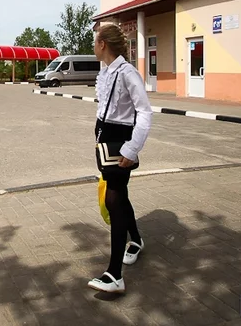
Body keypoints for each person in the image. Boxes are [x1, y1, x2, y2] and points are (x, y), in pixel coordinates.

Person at [87, 24, 153, 294]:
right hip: (105, 136)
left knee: (114, 198)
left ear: (102, 44)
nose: (93, 45)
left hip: (121, 140)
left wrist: (132, 148)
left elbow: (145, 112)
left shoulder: (128, 73)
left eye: (95, 41)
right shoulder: (105, 71)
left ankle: (115, 274)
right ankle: (136, 240)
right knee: (120, 194)